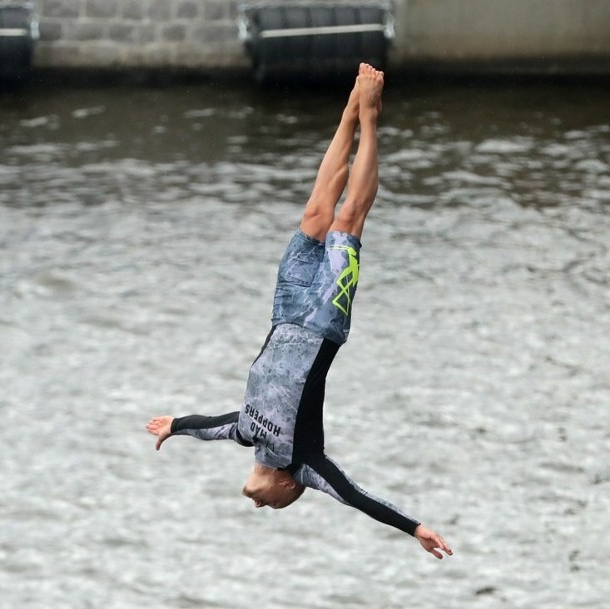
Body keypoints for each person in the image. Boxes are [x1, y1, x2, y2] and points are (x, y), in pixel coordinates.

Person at [146, 64, 452, 559]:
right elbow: (356, 497)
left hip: (284, 311)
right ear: (290, 489)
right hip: (324, 321)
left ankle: (351, 107)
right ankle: (371, 117)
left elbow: (208, 424)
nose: (259, 505)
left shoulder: (246, 432)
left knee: (315, 214)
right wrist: (413, 528)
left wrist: (174, 426)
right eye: (271, 507)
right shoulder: (305, 462)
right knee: (348, 218)